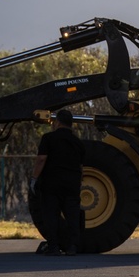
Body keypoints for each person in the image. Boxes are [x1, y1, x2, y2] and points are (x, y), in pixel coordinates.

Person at [32, 109, 86, 256]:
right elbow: (81, 167)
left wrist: (34, 178)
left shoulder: (48, 138)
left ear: (57, 122)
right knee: (73, 216)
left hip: (52, 183)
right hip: (72, 184)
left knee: (51, 215)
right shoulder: (78, 143)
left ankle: (54, 247)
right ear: (71, 124)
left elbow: (41, 160)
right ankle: (73, 246)